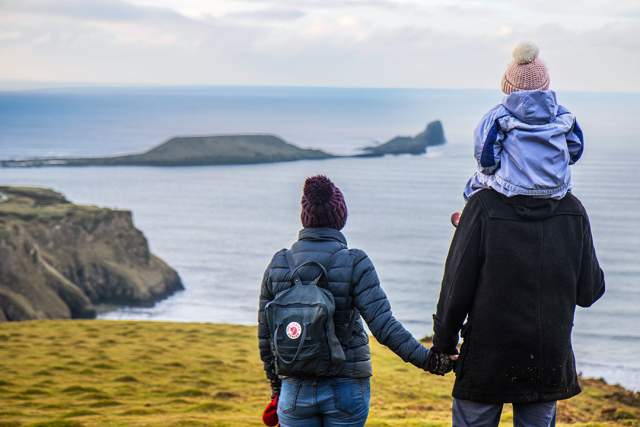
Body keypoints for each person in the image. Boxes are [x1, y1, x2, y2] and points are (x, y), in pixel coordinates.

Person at [258, 175, 451, 427]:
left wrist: (277, 388)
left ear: (305, 217)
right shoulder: (354, 261)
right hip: (346, 386)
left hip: (295, 388)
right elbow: (384, 326)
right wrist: (430, 361)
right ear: (340, 216)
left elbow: (266, 336)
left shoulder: (279, 263)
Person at [451, 42, 584, 227]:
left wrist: (490, 172)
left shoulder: (499, 116)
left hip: (513, 187)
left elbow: (486, 158)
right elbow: (576, 150)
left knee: (475, 183)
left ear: (507, 86)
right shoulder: (564, 115)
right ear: (546, 85)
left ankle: (466, 220)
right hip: (556, 187)